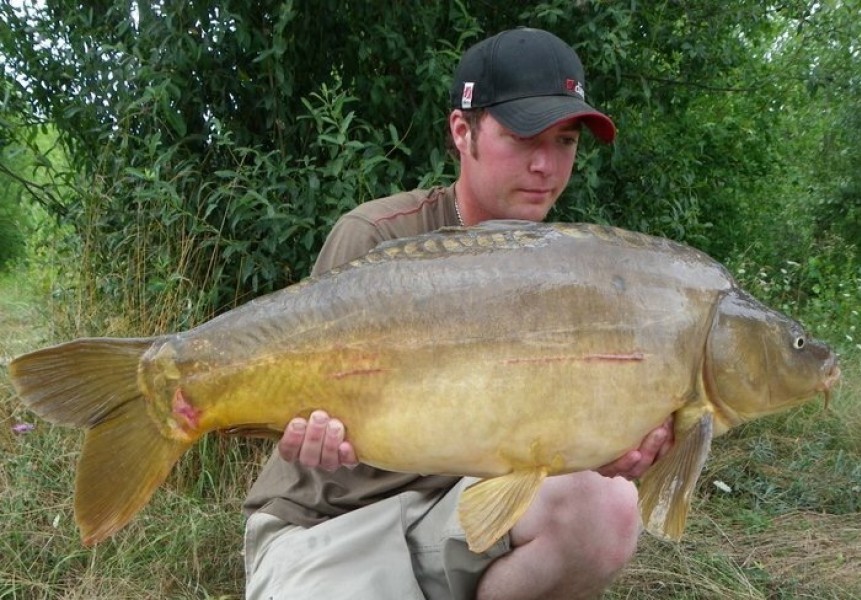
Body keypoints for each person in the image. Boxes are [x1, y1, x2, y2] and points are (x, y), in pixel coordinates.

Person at [243, 27, 673, 600]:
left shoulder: (575, 273)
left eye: (566, 141)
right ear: (462, 130)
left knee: (607, 507)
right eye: (524, 138)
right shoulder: (375, 238)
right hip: (334, 523)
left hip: (464, 511)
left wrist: (612, 446)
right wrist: (303, 425)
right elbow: (298, 390)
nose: (547, 166)